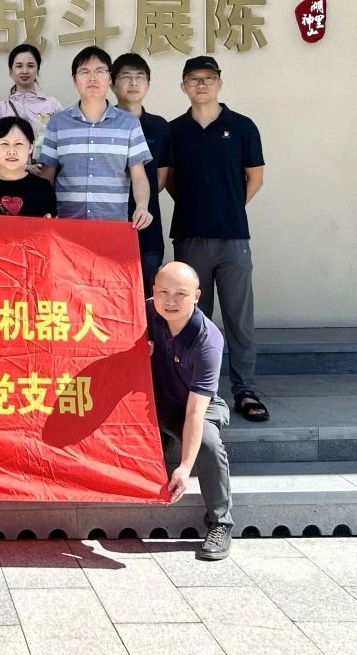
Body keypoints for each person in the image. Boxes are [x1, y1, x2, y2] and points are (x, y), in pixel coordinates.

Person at [167, 55, 267, 422]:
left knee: (239, 317)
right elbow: (170, 180)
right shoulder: (175, 131)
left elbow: (255, 178)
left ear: (219, 83)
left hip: (233, 238)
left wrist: (228, 207)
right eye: (193, 79)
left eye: (208, 78)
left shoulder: (242, 127)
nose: (201, 85)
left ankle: (245, 389)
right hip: (190, 236)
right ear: (183, 87)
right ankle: (195, 390)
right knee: (193, 318)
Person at [147, 260, 234, 562]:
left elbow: (196, 412)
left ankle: (220, 523)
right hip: (157, 402)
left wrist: (184, 467)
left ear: (196, 296)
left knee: (207, 442)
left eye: (180, 294)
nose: (170, 301)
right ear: (153, 291)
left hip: (199, 406)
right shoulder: (148, 311)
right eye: (163, 292)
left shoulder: (207, 342)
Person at [36, 46, 153, 232]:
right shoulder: (57, 123)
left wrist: (142, 207)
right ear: (74, 80)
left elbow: (139, 176)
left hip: (113, 227)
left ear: (110, 78)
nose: (92, 78)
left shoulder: (129, 124)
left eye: (99, 71)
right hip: (65, 226)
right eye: (85, 72)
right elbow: (47, 175)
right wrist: (42, 210)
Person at [112, 52, 172, 296]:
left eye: (140, 77)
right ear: (112, 84)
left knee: (149, 296)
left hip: (148, 229)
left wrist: (141, 201)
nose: (133, 82)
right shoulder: (102, 123)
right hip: (109, 226)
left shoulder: (160, 126)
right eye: (126, 76)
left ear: (148, 84)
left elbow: (161, 178)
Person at [0, 43, 62, 159]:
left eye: (30, 66)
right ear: (11, 71)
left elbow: (62, 142)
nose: (25, 71)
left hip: (46, 168)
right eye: (19, 66)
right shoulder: (1, 109)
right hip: (12, 168)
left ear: (38, 69)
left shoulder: (52, 104)